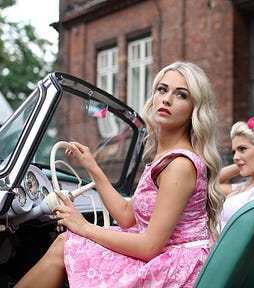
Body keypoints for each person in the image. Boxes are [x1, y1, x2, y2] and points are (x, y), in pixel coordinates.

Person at [15, 61, 223, 288]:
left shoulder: (179, 165)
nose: (167, 99)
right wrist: (93, 168)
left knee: (65, 244)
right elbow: (126, 216)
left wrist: (83, 226)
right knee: (67, 244)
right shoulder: (165, 158)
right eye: (162, 89)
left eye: (181, 95)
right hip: (164, 256)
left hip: (175, 268)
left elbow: (149, 246)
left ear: (195, 108)